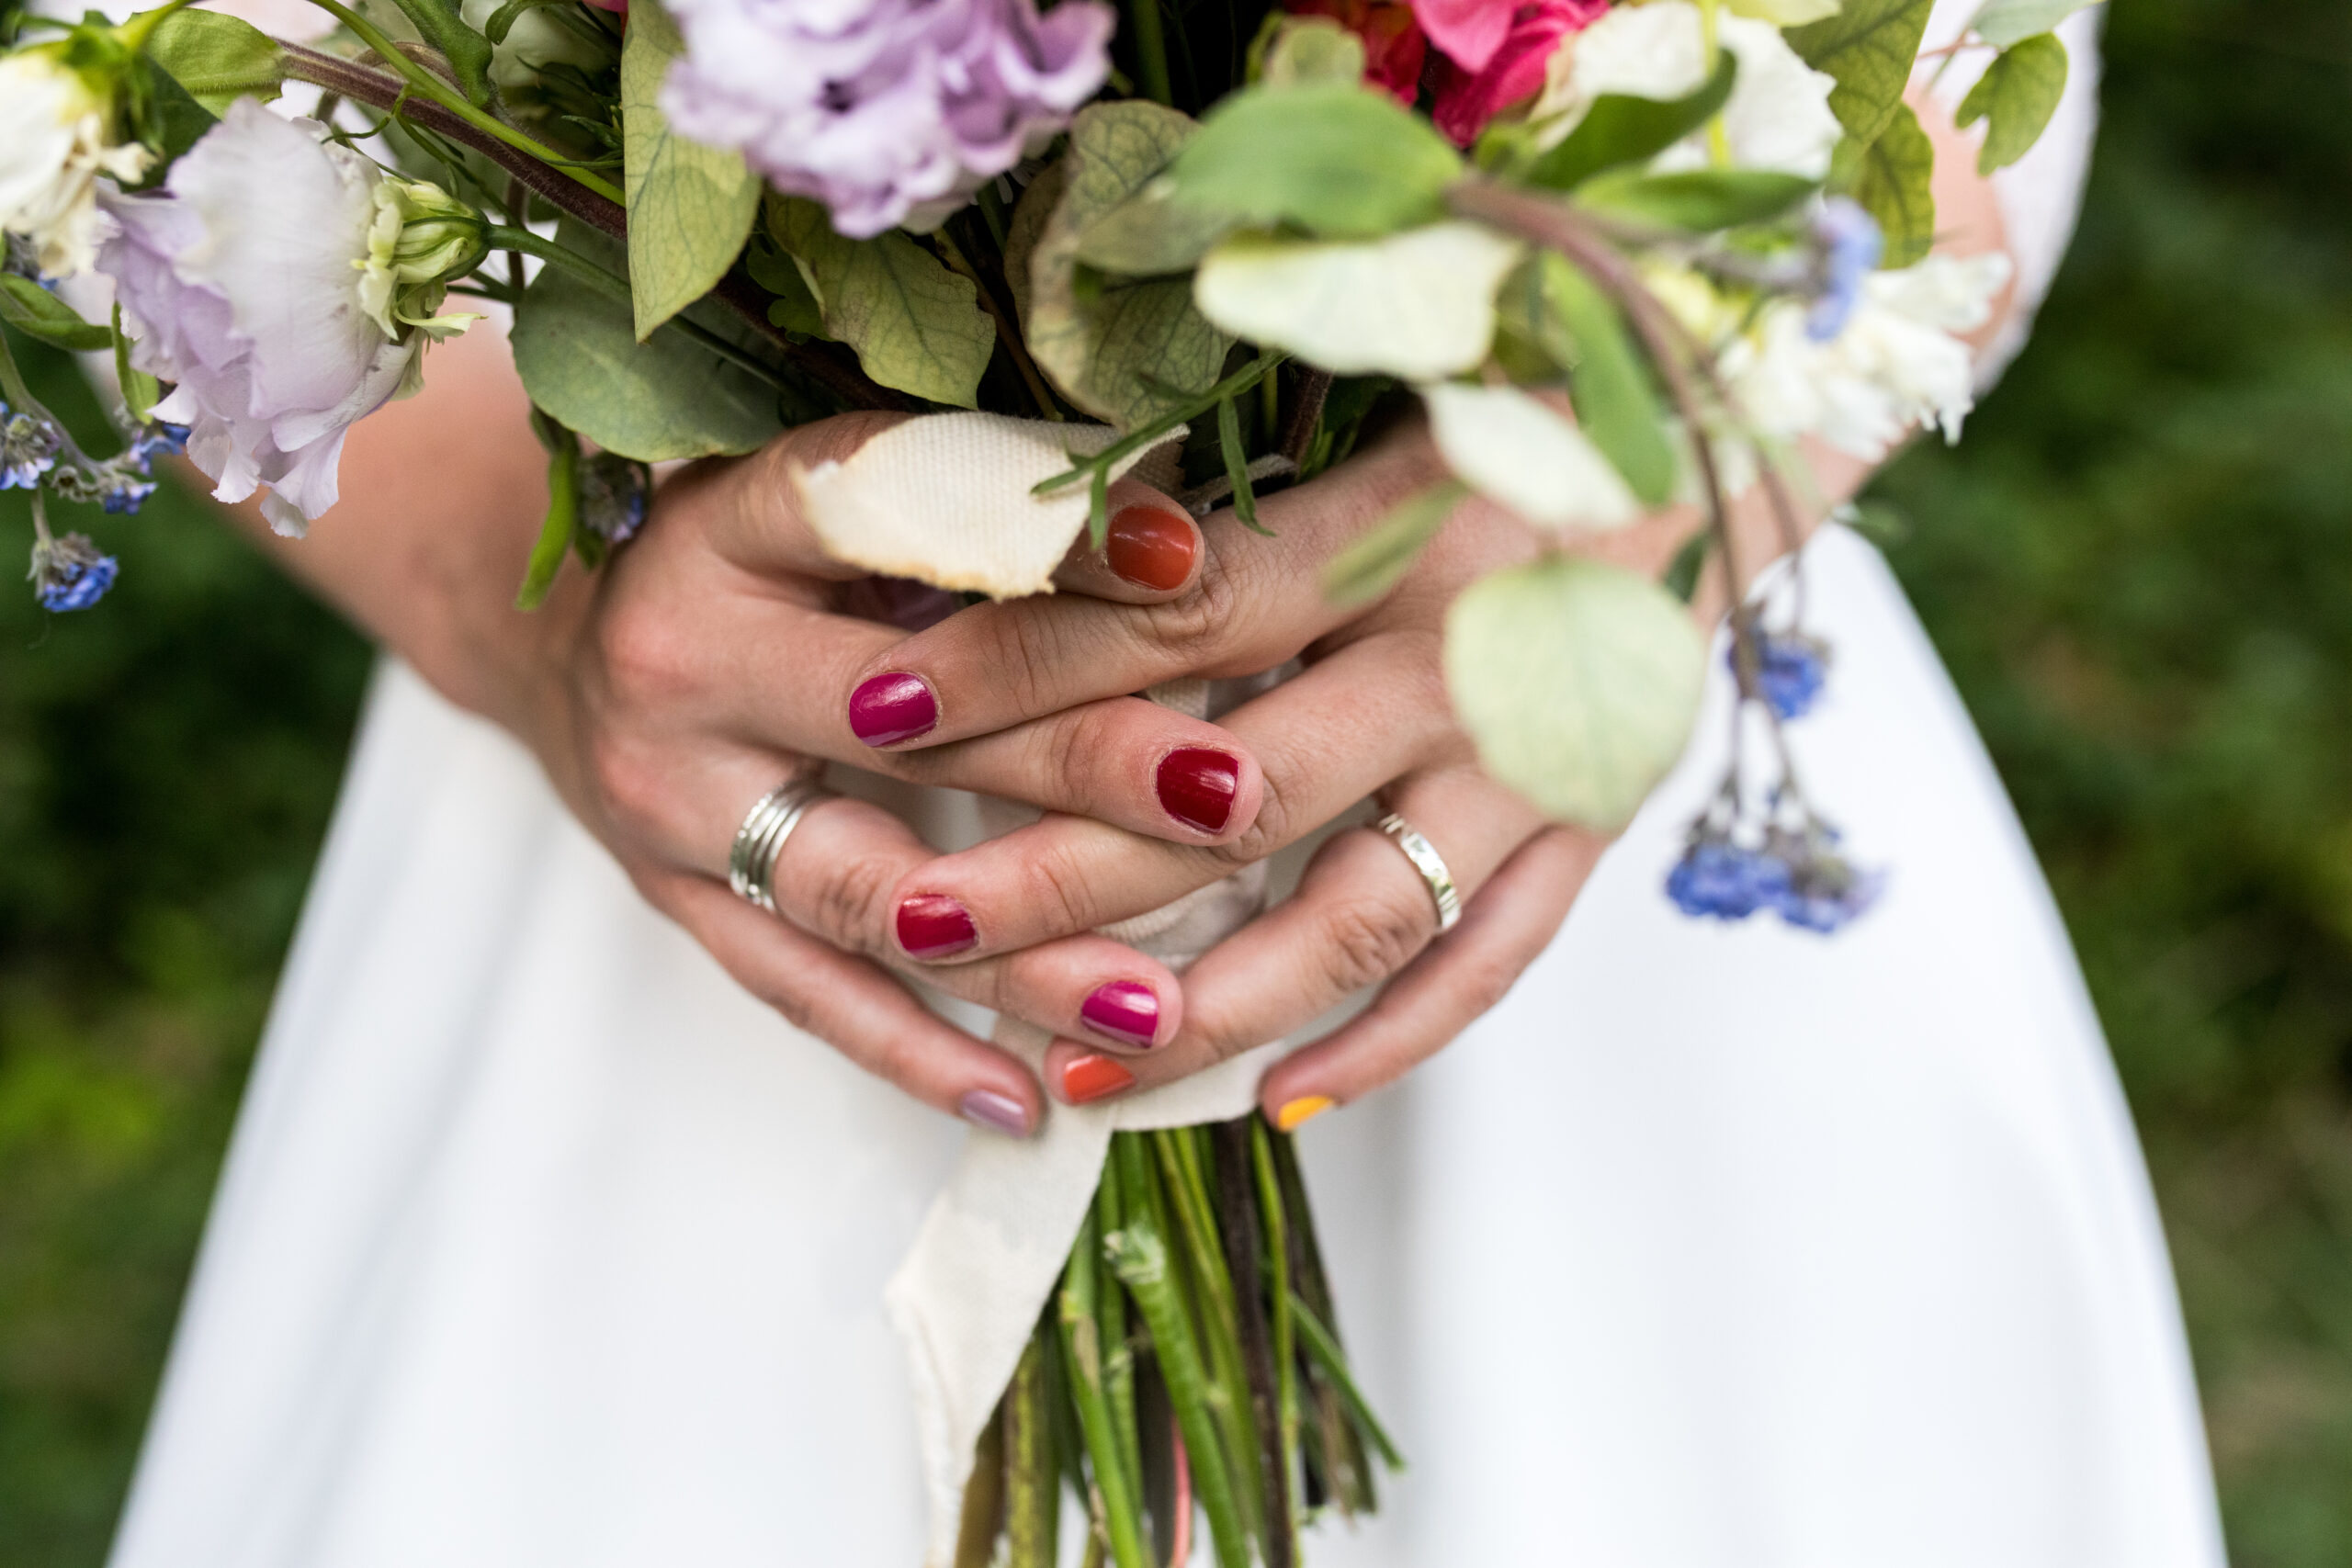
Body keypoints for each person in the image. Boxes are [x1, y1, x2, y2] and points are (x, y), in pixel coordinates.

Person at [101, 5, 2228, 1564]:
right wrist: (551, 625)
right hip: (703, 808)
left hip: (1567, 748)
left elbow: (1960, 74)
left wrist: (1629, 496)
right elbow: (144, 102)